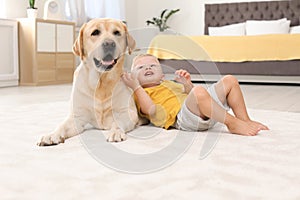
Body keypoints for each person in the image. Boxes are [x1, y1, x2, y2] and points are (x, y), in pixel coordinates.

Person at [121, 54, 269, 136]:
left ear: (163, 75)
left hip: (205, 112)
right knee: (198, 91)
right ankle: (232, 123)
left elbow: (189, 96)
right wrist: (136, 86)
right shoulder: (140, 92)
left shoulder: (169, 84)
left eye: (153, 65)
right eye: (141, 67)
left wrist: (186, 84)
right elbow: (150, 110)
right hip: (183, 119)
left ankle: (245, 120)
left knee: (229, 80)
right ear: (134, 77)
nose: (147, 67)